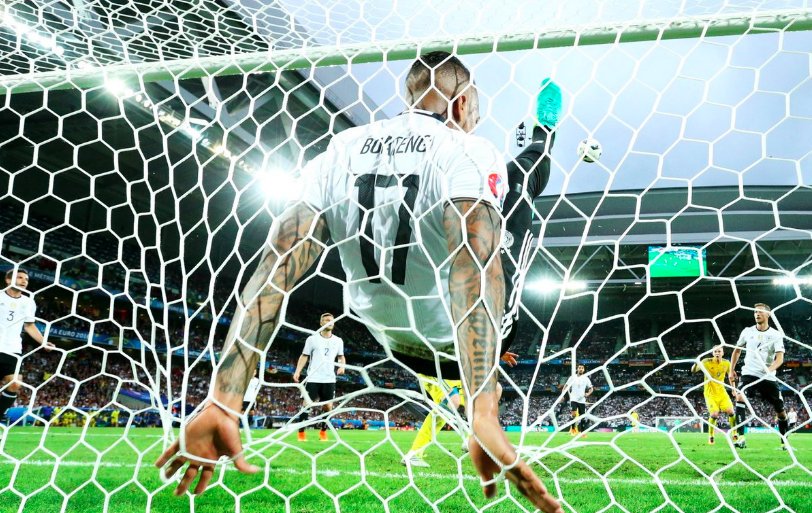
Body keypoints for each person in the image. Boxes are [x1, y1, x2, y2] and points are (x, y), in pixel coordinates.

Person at [155, 50, 562, 513]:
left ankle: (534, 142)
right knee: (521, 183)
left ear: (408, 95)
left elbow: (275, 271)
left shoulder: (339, 149)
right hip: (453, 342)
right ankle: (542, 135)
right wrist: (483, 408)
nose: (474, 120)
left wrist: (223, 400)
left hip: (387, 334)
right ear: (462, 103)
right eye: (475, 111)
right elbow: (474, 266)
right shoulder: (468, 148)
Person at [401, 350, 518, 468]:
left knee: (495, 388)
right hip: (432, 365)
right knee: (452, 399)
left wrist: (497, 351)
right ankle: (414, 453)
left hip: (453, 370)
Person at [728, 303, 788, 450]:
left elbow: (780, 358)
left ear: (768, 315)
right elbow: (736, 350)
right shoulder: (747, 331)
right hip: (749, 373)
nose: (757, 314)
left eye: (760, 312)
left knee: (780, 411)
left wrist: (769, 370)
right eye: (755, 312)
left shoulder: (776, 335)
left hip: (768, 377)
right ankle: (741, 437)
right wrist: (731, 370)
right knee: (740, 397)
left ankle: (784, 442)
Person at [0, 269, 55, 424]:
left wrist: (43, 341)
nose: (24, 281)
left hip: (12, 349)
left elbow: (29, 326)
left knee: (15, 383)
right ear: (7, 280)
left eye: (26, 279)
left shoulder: (28, 302)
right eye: (19, 277)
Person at [293, 312, 345, 442]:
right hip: (313, 377)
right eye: (326, 320)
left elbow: (341, 356)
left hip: (329, 379)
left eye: (331, 320)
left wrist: (342, 366)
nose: (329, 322)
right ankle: (301, 433)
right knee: (307, 405)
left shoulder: (338, 341)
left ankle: (323, 432)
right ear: (321, 323)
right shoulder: (312, 339)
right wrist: (298, 371)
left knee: (328, 407)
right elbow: (304, 355)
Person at [691, 345, 735, 445]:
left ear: (723, 353)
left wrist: (733, 389)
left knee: (731, 411)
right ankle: (711, 436)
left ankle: (734, 433)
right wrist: (696, 362)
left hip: (722, 392)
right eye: (715, 351)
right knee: (714, 414)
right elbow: (693, 370)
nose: (717, 353)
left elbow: (731, 376)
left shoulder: (727, 363)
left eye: (719, 351)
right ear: (712, 353)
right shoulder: (706, 362)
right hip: (710, 393)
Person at [563, 364, 593, 436]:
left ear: (584, 370)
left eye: (582, 368)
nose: (581, 369)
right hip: (573, 398)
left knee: (582, 416)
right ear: (577, 369)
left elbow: (591, 388)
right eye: (579, 368)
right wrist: (563, 395)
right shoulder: (572, 377)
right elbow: (566, 386)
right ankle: (573, 430)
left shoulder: (586, 378)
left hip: (582, 399)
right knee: (573, 413)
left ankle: (582, 432)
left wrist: (588, 394)